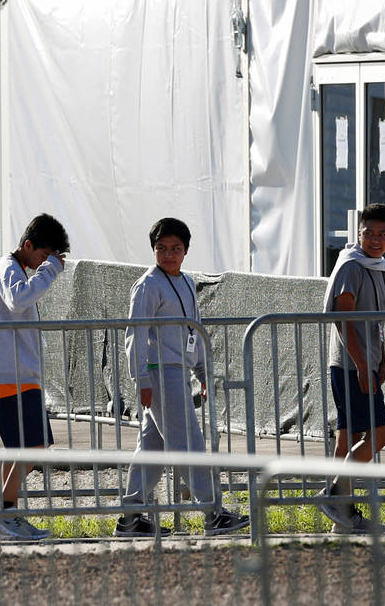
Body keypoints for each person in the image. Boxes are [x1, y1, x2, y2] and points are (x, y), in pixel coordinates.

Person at [117, 217, 249, 537]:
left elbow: (195, 329)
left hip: (178, 372)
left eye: (175, 248)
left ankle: (131, 516)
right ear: (154, 250)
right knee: (189, 442)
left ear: (186, 250)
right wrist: (142, 381)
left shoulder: (188, 282)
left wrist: (203, 372)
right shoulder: (147, 285)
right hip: (161, 372)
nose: (168, 254)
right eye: (162, 248)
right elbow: (135, 334)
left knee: (153, 446)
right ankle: (212, 511)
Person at [317, 203, 385, 534]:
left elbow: (378, 323)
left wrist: (382, 358)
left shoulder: (382, 268)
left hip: (366, 363)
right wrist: (361, 365)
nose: (375, 240)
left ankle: (341, 522)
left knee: (349, 437)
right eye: (368, 233)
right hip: (348, 364)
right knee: (380, 434)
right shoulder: (352, 266)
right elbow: (343, 317)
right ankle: (334, 495)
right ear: (358, 234)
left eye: (383, 234)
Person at [0, 213, 69, 540]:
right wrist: (49, 270)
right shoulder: (7, 268)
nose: (45, 264)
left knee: (21, 449)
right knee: (34, 447)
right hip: (12, 376)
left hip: (18, 375)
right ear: (28, 245)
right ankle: (4, 511)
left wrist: (45, 267)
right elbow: (18, 300)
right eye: (43, 256)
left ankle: (8, 517)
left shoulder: (13, 269)